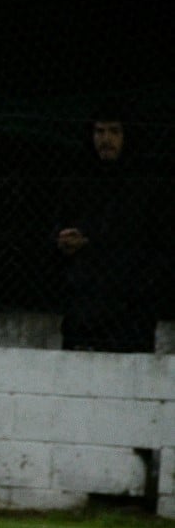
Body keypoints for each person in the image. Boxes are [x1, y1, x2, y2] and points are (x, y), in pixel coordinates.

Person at [52, 101, 164, 353]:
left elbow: (153, 241)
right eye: (100, 132)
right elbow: (58, 230)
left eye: (114, 131)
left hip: (131, 306)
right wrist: (64, 242)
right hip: (85, 304)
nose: (106, 139)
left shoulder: (146, 185)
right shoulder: (76, 181)